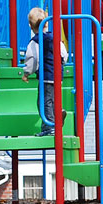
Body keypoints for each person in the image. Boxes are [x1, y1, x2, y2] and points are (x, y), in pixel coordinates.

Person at [21, 7, 66, 135]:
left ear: (30, 25)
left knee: (44, 101)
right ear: (46, 23)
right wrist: (60, 64)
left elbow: (33, 60)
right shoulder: (55, 38)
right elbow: (64, 54)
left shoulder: (35, 41)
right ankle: (57, 115)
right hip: (58, 75)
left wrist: (27, 73)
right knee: (53, 99)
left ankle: (49, 126)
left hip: (46, 75)